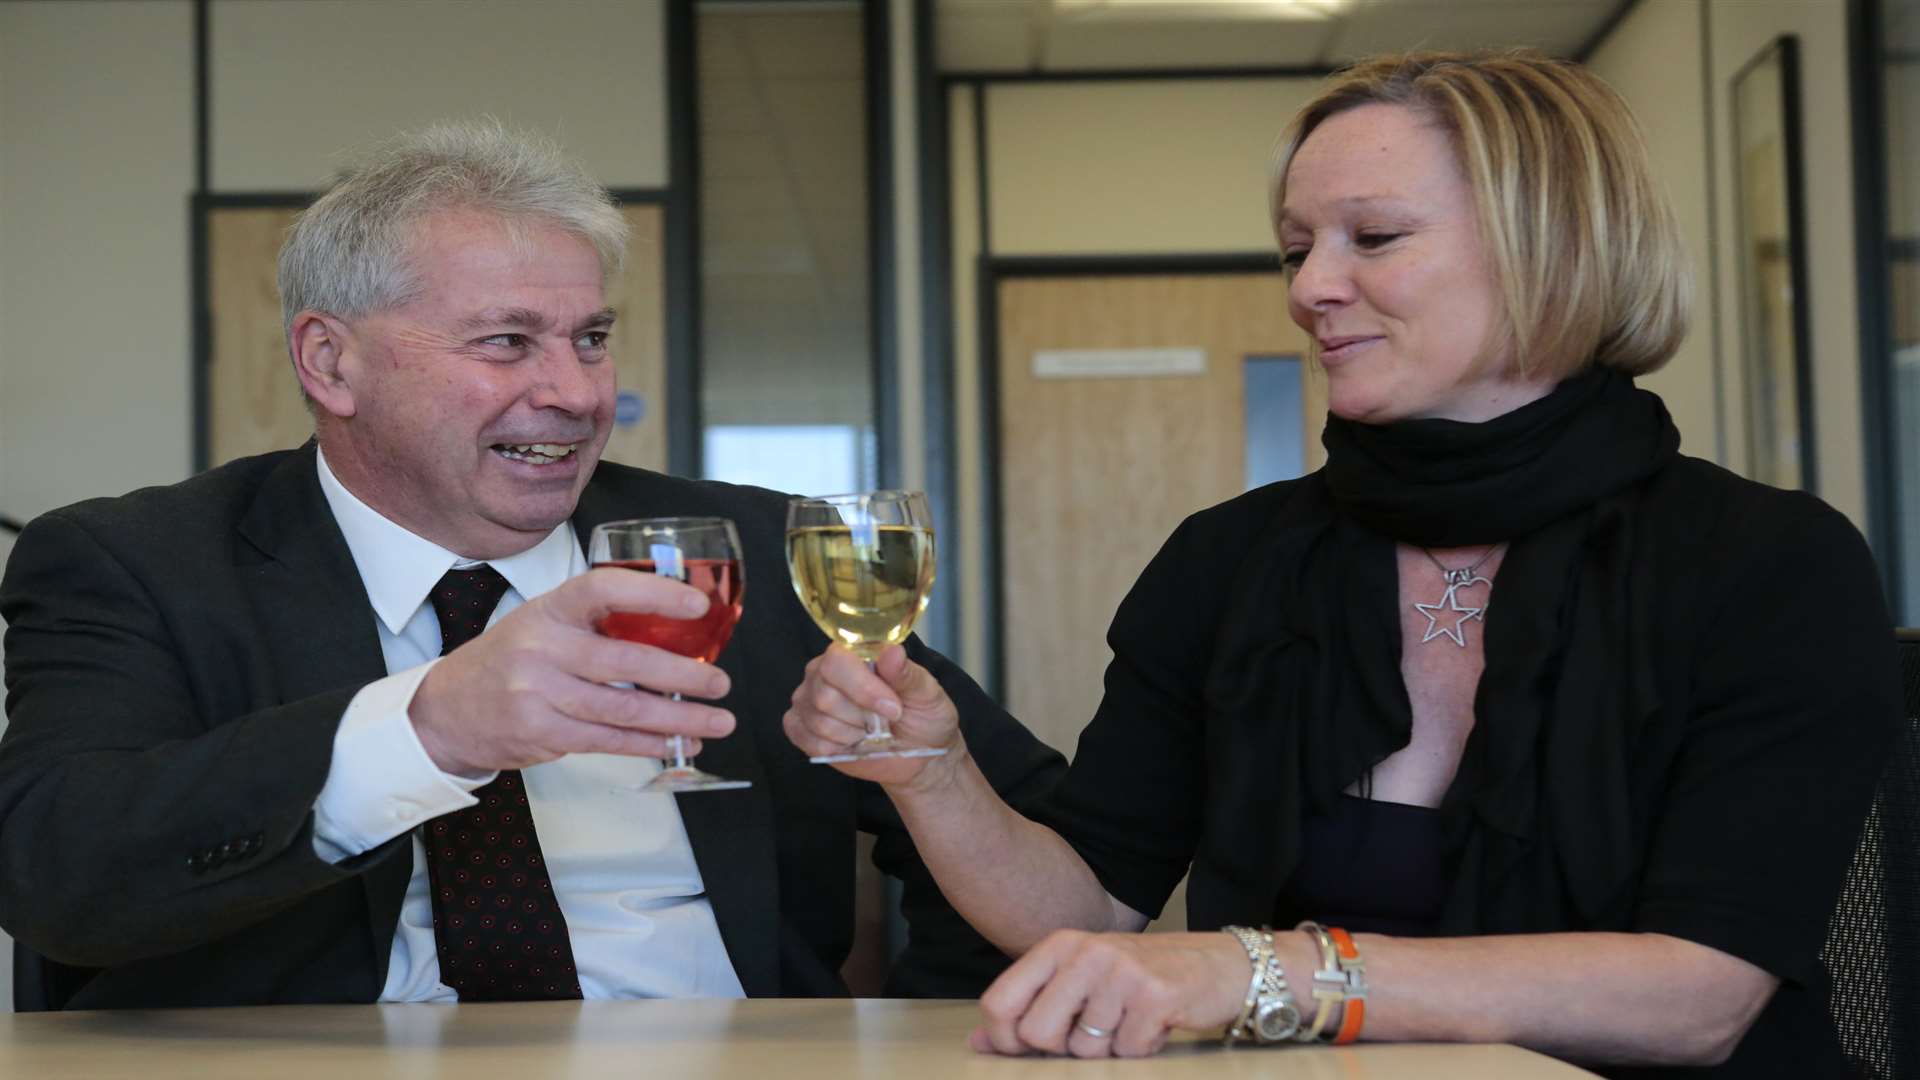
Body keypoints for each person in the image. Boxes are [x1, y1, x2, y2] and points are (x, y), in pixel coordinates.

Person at [783, 51, 1902, 1078]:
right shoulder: (1232, 559)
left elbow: (1699, 997)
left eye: (1371, 239)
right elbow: (1087, 905)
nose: (1311, 287)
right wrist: (934, 775)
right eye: (1296, 247)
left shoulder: (1770, 562)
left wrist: (1258, 972)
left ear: (1550, 244)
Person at [0, 120, 1062, 1009]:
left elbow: (1042, 838)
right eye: (508, 342)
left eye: (590, 338)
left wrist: (925, 1034)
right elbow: (57, 871)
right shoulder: (138, 564)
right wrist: (428, 730)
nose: (576, 392)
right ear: (332, 361)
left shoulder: (752, 553)